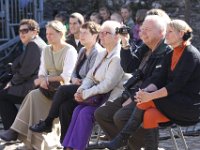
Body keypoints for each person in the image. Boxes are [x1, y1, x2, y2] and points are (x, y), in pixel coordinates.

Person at [99, 19, 200, 150]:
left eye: (169, 32)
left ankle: (122, 139)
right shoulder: (172, 53)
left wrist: (150, 96)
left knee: (145, 103)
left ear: (181, 34)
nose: (166, 35)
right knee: (149, 115)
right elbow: (159, 79)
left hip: (188, 105)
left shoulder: (190, 55)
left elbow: (175, 86)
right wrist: (145, 91)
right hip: (173, 100)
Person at [92, 15, 171, 150]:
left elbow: (156, 81)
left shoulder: (166, 51)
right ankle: (128, 144)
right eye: (142, 29)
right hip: (133, 92)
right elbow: (129, 66)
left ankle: (135, 145)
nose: (143, 32)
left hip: (151, 98)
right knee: (102, 114)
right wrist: (125, 42)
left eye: (148, 29)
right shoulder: (145, 46)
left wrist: (133, 98)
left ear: (161, 32)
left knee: (120, 117)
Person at [0, 20, 77, 150]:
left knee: (19, 95)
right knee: (33, 95)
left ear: (61, 34)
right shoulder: (46, 49)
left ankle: (14, 130)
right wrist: (43, 79)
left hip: (62, 89)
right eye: (47, 34)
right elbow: (41, 72)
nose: (48, 36)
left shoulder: (70, 50)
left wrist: (46, 79)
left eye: (52, 34)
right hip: (46, 88)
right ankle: (17, 132)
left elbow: (66, 77)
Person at [29, 21, 103, 143]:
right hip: (78, 86)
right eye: (81, 33)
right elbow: (74, 72)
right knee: (64, 107)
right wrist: (74, 79)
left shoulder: (97, 52)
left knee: (62, 89)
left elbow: (94, 76)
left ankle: (48, 121)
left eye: (85, 33)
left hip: (90, 90)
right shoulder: (82, 50)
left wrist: (82, 82)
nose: (81, 35)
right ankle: (65, 143)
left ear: (95, 36)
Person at [62, 20, 130, 150]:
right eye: (101, 33)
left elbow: (108, 85)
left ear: (117, 36)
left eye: (106, 33)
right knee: (77, 110)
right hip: (98, 96)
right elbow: (90, 76)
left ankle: (77, 148)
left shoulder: (118, 56)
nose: (102, 36)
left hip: (112, 99)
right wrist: (81, 89)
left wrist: (85, 93)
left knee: (85, 113)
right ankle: (68, 146)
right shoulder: (102, 53)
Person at [0, 19, 46, 130]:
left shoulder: (33, 45)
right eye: (19, 31)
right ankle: (14, 128)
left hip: (32, 86)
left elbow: (26, 72)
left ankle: (12, 130)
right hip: (32, 84)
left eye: (25, 30)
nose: (21, 34)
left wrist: (12, 82)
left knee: (2, 95)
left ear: (34, 32)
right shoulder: (36, 43)